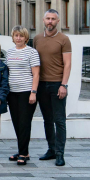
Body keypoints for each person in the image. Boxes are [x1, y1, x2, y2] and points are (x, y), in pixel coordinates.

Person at [34, 9, 72, 167]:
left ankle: (60, 153)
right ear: (43, 21)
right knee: (47, 120)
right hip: (41, 84)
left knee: (59, 120)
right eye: (48, 18)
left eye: (53, 19)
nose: (50, 21)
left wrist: (64, 84)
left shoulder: (64, 39)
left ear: (58, 21)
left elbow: (68, 64)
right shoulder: (36, 39)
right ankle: (51, 149)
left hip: (57, 84)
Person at [5, 26, 40, 166]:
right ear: (13, 37)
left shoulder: (32, 52)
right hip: (12, 93)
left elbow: (36, 74)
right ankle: (23, 151)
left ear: (26, 38)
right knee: (16, 122)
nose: (18, 38)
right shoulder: (9, 52)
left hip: (27, 92)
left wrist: (33, 92)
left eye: (21, 36)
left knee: (24, 123)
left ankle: (23, 153)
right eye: (16, 35)